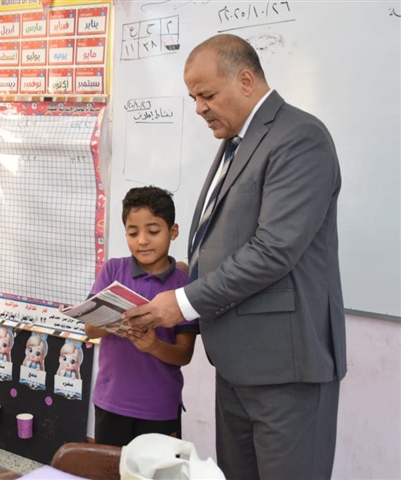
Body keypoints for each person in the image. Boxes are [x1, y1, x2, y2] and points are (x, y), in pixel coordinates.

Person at [123, 34, 346, 479]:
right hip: (235, 364)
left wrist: (183, 301)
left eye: (207, 95)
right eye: (193, 98)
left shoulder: (299, 138)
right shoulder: (236, 142)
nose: (199, 109)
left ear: (245, 80)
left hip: (286, 368)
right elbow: (224, 239)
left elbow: (273, 250)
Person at [86, 186, 198, 447]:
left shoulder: (183, 284)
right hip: (111, 402)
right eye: (133, 233)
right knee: (111, 466)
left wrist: (154, 346)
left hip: (159, 408)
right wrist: (118, 320)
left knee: (156, 468)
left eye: (153, 231)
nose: (142, 241)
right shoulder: (113, 270)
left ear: (173, 231)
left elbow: (184, 354)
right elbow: (90, 329)